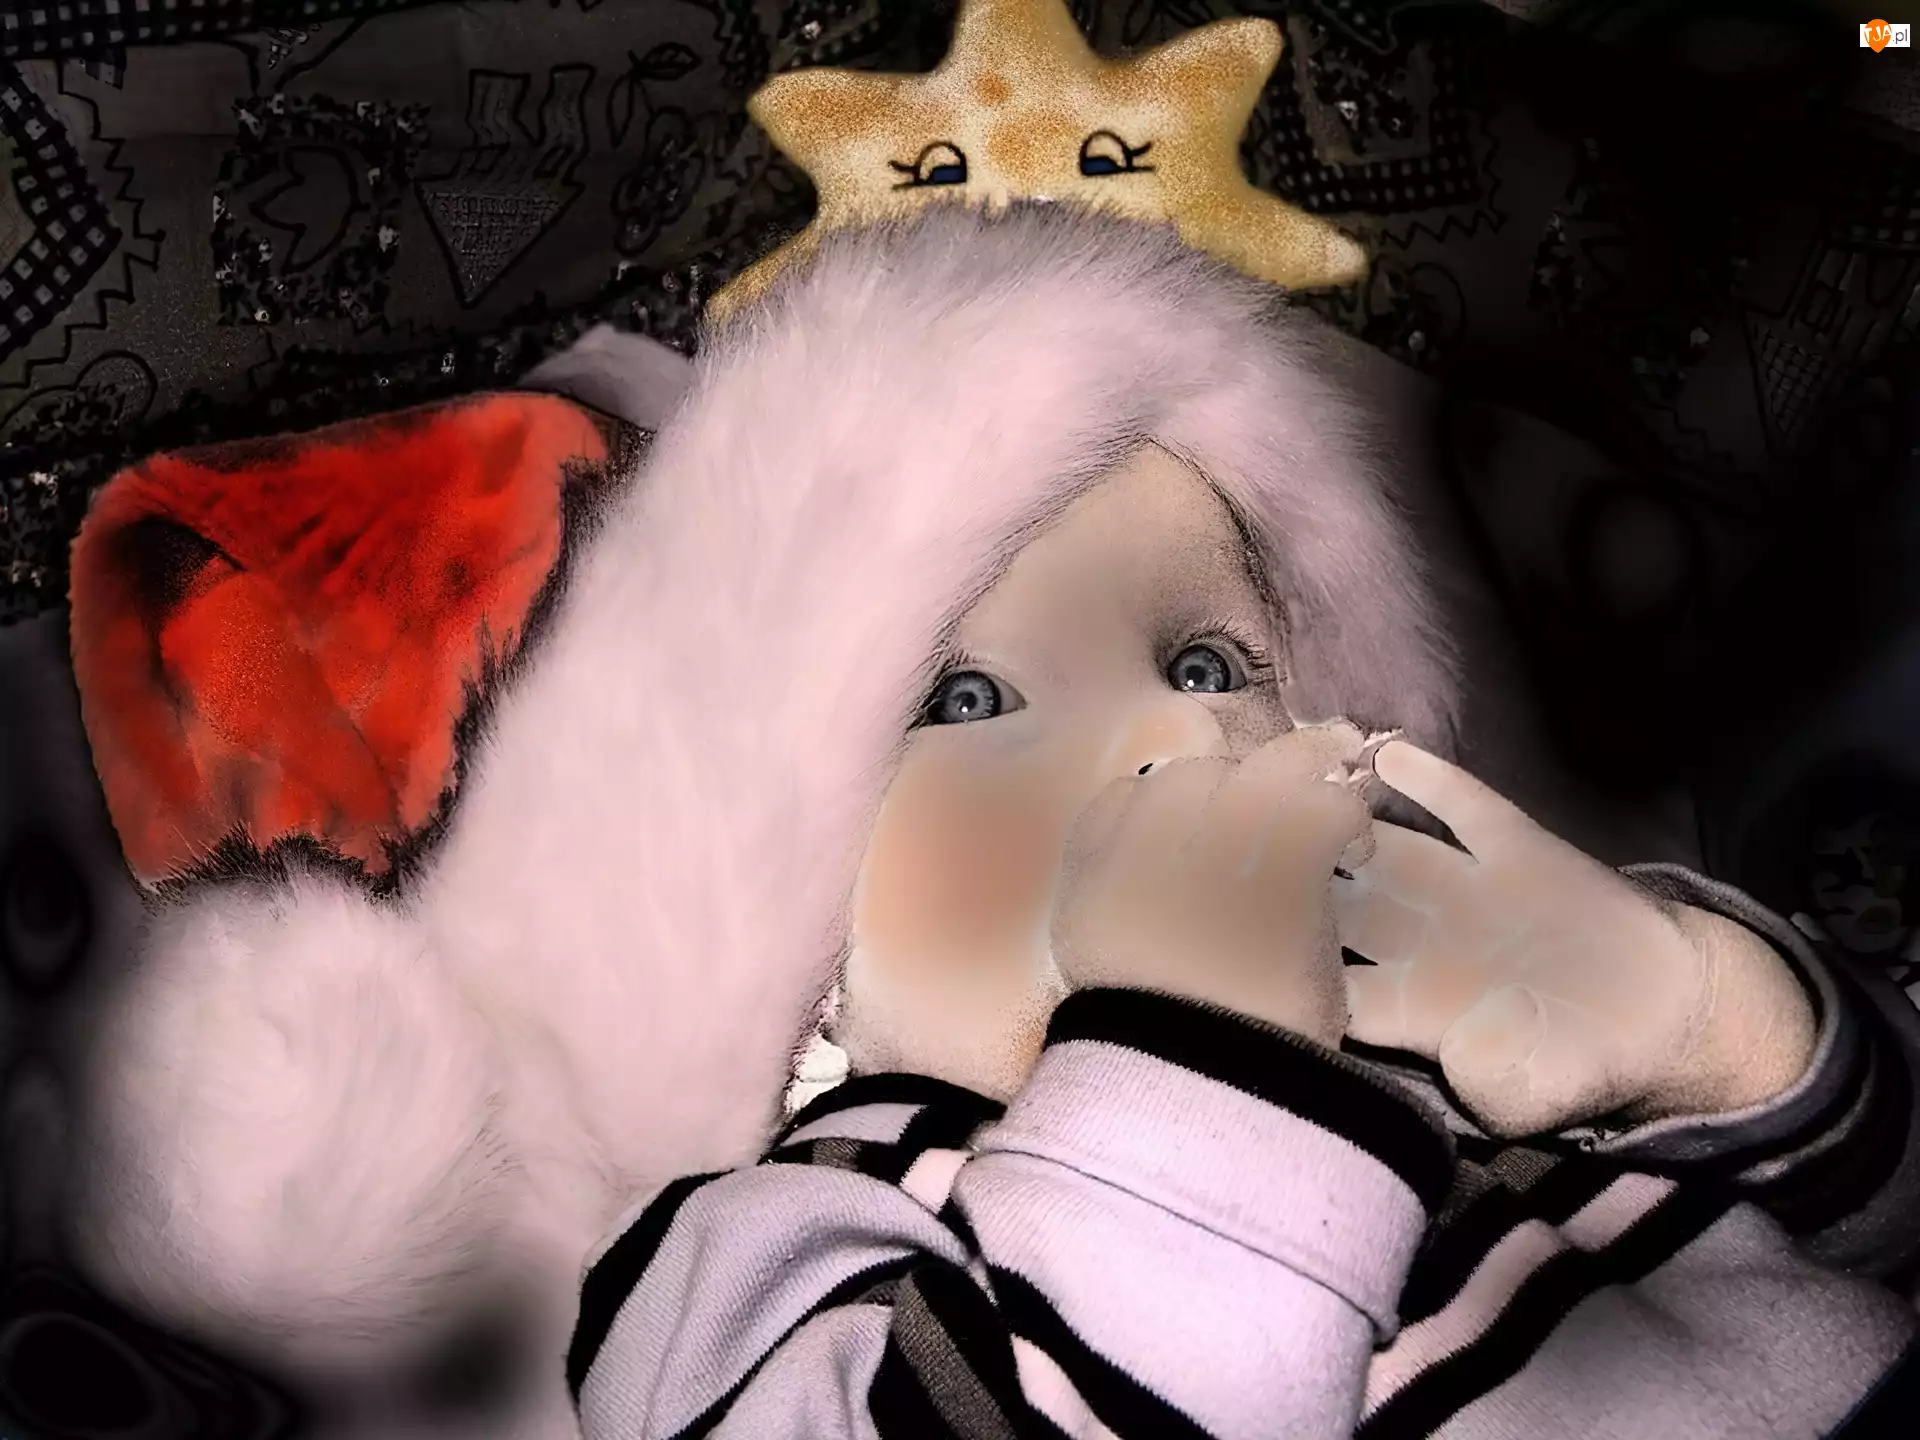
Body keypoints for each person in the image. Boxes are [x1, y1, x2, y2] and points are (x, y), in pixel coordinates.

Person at [565, 218, 1920, 1438]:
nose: (1175, 731)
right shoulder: (780, 1234)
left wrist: (1709, 1032)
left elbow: (1886, 1230)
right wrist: (1202, 1064)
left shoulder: (1458, 1029)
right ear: (789, 938)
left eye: (1209, 666)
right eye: (972, 699)